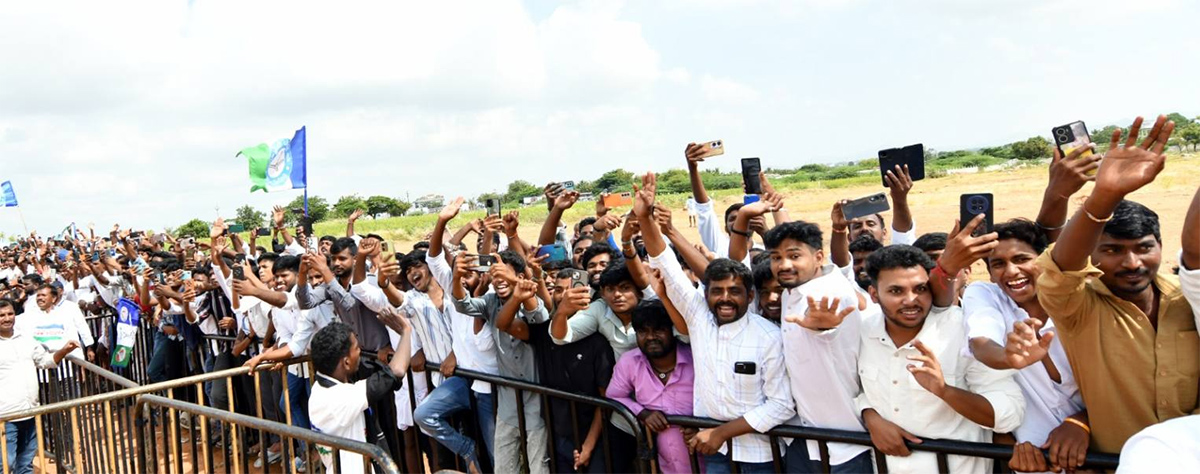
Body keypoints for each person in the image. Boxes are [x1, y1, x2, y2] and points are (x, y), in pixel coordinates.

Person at [1036, 115, 1198, 454]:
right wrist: (1104, 195)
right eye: (1112, 251)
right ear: (1091, 254)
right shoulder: (1077, 307)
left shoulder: (1188, 297)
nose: (1132, 263)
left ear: (1160, 246)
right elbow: (1061, 268)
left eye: (1144, 248)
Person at [635, 172, 795, 473]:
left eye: (734, 292)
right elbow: (666, 265)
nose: (724, 299)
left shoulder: (769, 337)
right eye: (716, 291)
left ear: (750, 296)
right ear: (705, 294)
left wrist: (721, 433)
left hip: (761, 456)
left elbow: (782, 405)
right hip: (716, 453)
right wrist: (645, 218)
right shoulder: (700, 319)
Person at [856, 245, 1025, 474]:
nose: (911, 300)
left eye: (920, 289)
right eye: (896, 291)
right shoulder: (864, 331)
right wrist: (870, 416)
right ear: (874, 295)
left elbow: (1010, 413)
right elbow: (857, 390)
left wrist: (945, 392)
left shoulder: (964, 330)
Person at [958, 219, 1089, 473]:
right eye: (998, 264)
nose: (1011, 271)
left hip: (1104, 454)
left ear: (1044, 260)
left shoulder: (1078, 302)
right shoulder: (986, 295)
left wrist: (1081, 423)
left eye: (1021, 259)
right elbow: (981, 342)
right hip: (1034, 463)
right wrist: (1007, 357)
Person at [452, 248, 551, 474]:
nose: (499, 281)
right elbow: (462, 305)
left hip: (536, 400)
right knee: (504, 466)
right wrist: (457, 278)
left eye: (504, 274)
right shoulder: (490, 301)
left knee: (538, 466)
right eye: (494, 276)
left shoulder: (529, 299)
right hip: (507, 401)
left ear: (520, 276)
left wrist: (517, 285)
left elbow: (539, 317)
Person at [308, 315, 412, 474]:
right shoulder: (339, 398)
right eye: (356, 348)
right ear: (346, 362)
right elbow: (396, 371)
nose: (360, 352)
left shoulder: (319, 388)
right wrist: (406, 331)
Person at [606, 300, 696, 474]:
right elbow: (614, 395)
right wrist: (643, 413)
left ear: (672, 330)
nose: (650, 337)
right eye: (642, 331)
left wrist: (701, 428)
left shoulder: (695, 360)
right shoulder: (630, 362)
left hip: (707, 460)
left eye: (658, 330)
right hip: (663, 465)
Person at [1, 299, 80, 474]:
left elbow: (45, 360)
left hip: (30, 412)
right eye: (2, 315)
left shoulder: (25, 338)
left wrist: (64, 351)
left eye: (10, 314)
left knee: (25, 464)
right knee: (6, 464)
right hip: (5, 416)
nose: (7, 318)